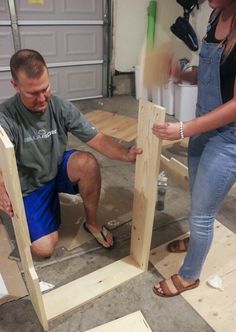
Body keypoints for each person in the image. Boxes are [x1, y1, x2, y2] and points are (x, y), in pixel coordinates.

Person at [0, 49, 142, 258]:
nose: (42, 98)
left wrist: (126, 154)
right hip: (29, 185)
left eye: (45, 88)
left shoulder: (59, 107)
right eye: (33, 93)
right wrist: (2, 189)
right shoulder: (6, 116)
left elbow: (98, 139)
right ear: (15, 86)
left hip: (55, 168)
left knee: (88, 163)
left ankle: (92, 223)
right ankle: (42, 207)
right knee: (44, 249)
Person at [152, 0, 236, 297]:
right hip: (204, 126)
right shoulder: (215, 16)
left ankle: (189, 276)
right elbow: (212, 74)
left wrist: (184, 128)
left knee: (202, 213)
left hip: (229, 140)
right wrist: (180, 73)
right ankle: (197, 239)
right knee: (199, 197)